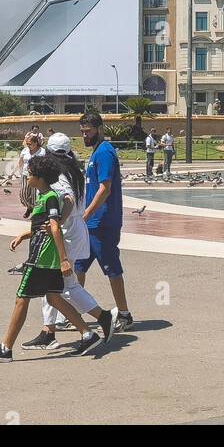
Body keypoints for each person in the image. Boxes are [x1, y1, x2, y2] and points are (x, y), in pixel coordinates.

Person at [0, 153, 102, 362]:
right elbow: (42, 226)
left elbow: (54, 227)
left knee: (21, 299)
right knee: (53, 297)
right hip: (46, 256)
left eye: (30, 173)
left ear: (40, 178)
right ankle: (88, 334)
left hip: (42, 258)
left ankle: (5, 349)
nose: (27, 175)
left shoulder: (50, 198)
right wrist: (23, 236)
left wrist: (64, 259)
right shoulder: (44, 197)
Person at [20, 136, 113, 349]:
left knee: (62, 285)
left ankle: (101, 317)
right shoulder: (73, 168)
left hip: (66, 232)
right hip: (74, 229)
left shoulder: (59, 173)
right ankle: (50, 330)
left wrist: (58, 220)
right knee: (56, 286)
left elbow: (68, 198)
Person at [79, 113, 133, 333]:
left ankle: (124, 314)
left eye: (88, 131)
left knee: (111, 268)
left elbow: (105, 188)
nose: (84, 135)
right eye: (82, 131)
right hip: (90, 224)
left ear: (99, 129)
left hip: (103, 223)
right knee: (78, 267)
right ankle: (73, 311)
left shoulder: (105, 152)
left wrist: (86, 215)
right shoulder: (95, 152)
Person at [19, 130, 43, 216]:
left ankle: (33, 210)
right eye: (27, 144)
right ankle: (29, 206)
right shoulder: (25, 150)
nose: (28, 146)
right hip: (25, 175)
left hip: (36, 176)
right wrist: (20, 172)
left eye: (30, 144)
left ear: (36, 143)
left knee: (34, 195)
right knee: (23, 194)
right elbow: (21, 162)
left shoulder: (42, 152)